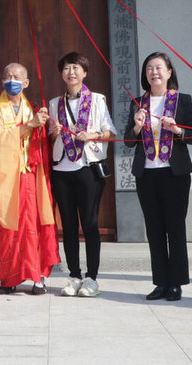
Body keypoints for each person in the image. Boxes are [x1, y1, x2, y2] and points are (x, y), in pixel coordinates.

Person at [124, 52, 192, 302]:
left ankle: (176, 283)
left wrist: (176, 128)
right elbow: (128, 141)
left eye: (158, 68)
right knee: (154, 230)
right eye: (149, 69)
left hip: (174, 173)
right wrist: (136, 125)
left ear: (169, 72)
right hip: (147, 173)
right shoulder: (138, 103)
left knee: (175, 229)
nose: (153, 72)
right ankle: (160, 283)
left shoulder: (182, 101)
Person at [0, 63, 59, 295]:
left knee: (34, 226)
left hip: (31, 177)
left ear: (26, 83)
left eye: (17, 77)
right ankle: (9, 278)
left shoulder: (35, 108)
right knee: (8, 228)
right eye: (7, 76)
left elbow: (46, 144)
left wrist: (49, 129)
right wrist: (29, 126)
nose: (11, 80)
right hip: (7, 178)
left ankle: (38, 277)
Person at [48, 52, 116, 297]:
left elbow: (109, 131)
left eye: (76, 67)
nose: (71, 72)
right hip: (62, 169)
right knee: (68, 225)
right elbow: (49, 137)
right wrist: (54, 132)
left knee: (89, 224)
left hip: (88, 168)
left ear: (84, 72)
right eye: (66, 68)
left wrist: (93, 134)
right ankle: (74, 275)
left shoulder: (97, 99)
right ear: (62, 74)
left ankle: (92, 278)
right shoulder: (55, 103)